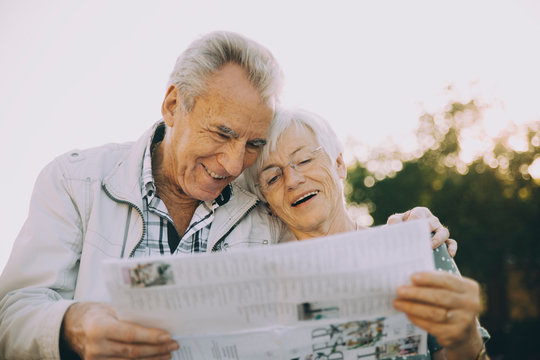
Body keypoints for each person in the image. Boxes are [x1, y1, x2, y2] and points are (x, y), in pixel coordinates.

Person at [0, 31, 452, 359]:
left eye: (253, 144)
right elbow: (12, 315)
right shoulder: (76, 181)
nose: (235, 164)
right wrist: (72, 326)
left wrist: (409, 236)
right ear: (174, 105)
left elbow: (333, 243)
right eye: (223, 133)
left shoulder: (260, 198)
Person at [243, 107, 489, 360]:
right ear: (266, 200)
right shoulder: (267, 297)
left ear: (339, 164)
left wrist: (466, 336)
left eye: (305, 160)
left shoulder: (418, 250)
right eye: (273, 177)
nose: (292, 180)